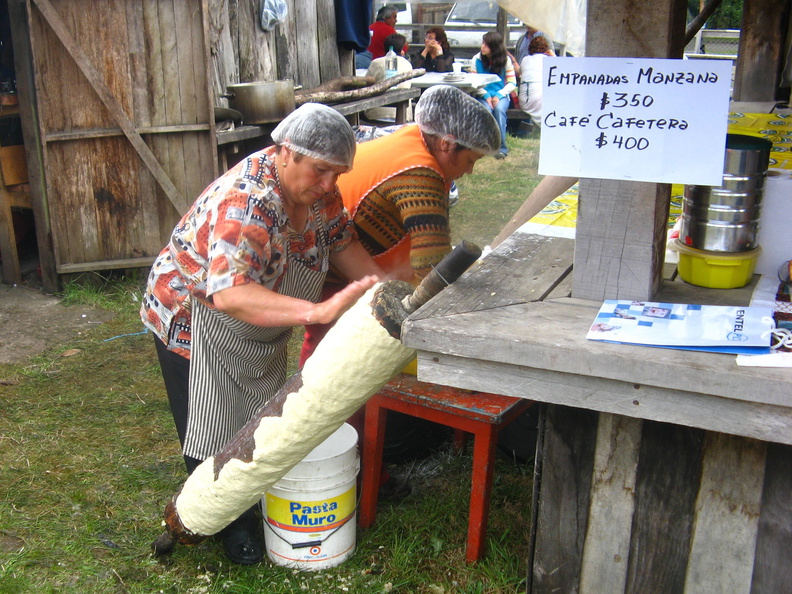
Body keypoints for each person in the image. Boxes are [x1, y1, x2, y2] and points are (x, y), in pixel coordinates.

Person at [140, 103, 383, 566]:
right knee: (211, 428)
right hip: (195, 316)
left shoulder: (318, 192)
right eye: (321, 170)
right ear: (286, 152)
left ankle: (256, 494)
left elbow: (343, 242)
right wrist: (315, 310)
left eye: (338, 173)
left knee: (260, 416)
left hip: (257, 324)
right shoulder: (247, 202)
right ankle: (229, 524)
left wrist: (382, 293)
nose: (330, 184)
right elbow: (230, 295)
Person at [298, 85, 500, 494]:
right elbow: (434, 270)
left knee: (320, 371)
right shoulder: (420, 174)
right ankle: (356, 474)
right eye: (471, 159)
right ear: (447, 143)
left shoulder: (410, 139)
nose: (471, 170)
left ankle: (342, 460)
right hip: (338, 281)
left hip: (333, 267)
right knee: (341, 381)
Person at [470, 31, 516, 160]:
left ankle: (501, 148)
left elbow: (512, 83)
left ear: (495, 47)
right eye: (483, 43)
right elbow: (474, 83)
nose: (482, 46)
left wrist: (499, 95)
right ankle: (484, 145)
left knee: (499, 110)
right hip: (482, 94)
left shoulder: (505, 60)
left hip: (500, 95)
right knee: (486, 110)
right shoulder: (476, 59)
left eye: (487, 44)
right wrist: (486, 96)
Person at [364, 33, 414, 122]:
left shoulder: (376, 63)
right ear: (402, 50)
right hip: (403, 115)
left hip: (376, 114)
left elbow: (366, 85)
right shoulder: (407, 64)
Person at [518, 35, 556, 128]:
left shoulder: (525, 60)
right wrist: (553, 56)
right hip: (538, 99)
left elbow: (520, 72)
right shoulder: (548, 60)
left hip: (523, 101)